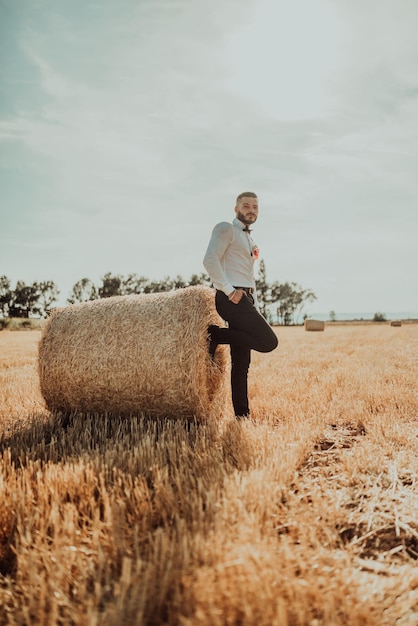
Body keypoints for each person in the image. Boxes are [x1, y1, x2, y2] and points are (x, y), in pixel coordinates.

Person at [203, 191, 278, 420]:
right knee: (268, 342)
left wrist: (252, 254)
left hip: (245, 298)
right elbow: (209, 260)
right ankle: (216, 335)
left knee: (241, 365)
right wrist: (230, 291)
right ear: (236, 209)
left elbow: (237, 264)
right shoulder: (226, 228)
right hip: (232, 298)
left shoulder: (247, 237)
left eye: (255, 206)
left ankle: (242, 416)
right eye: (246, 205)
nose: (251, 209)